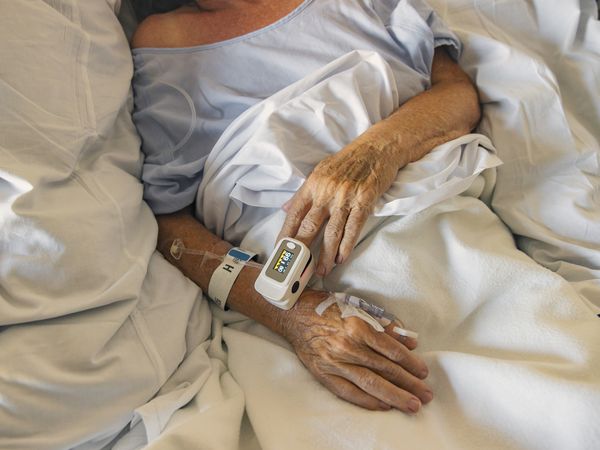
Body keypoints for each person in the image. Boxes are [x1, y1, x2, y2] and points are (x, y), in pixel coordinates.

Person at [130, 0, 481, 414]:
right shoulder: (166, 41)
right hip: (300, 291)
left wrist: (374, 152)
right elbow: (167, 219)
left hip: (439, 228)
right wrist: (292, 316)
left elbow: (457, 94)